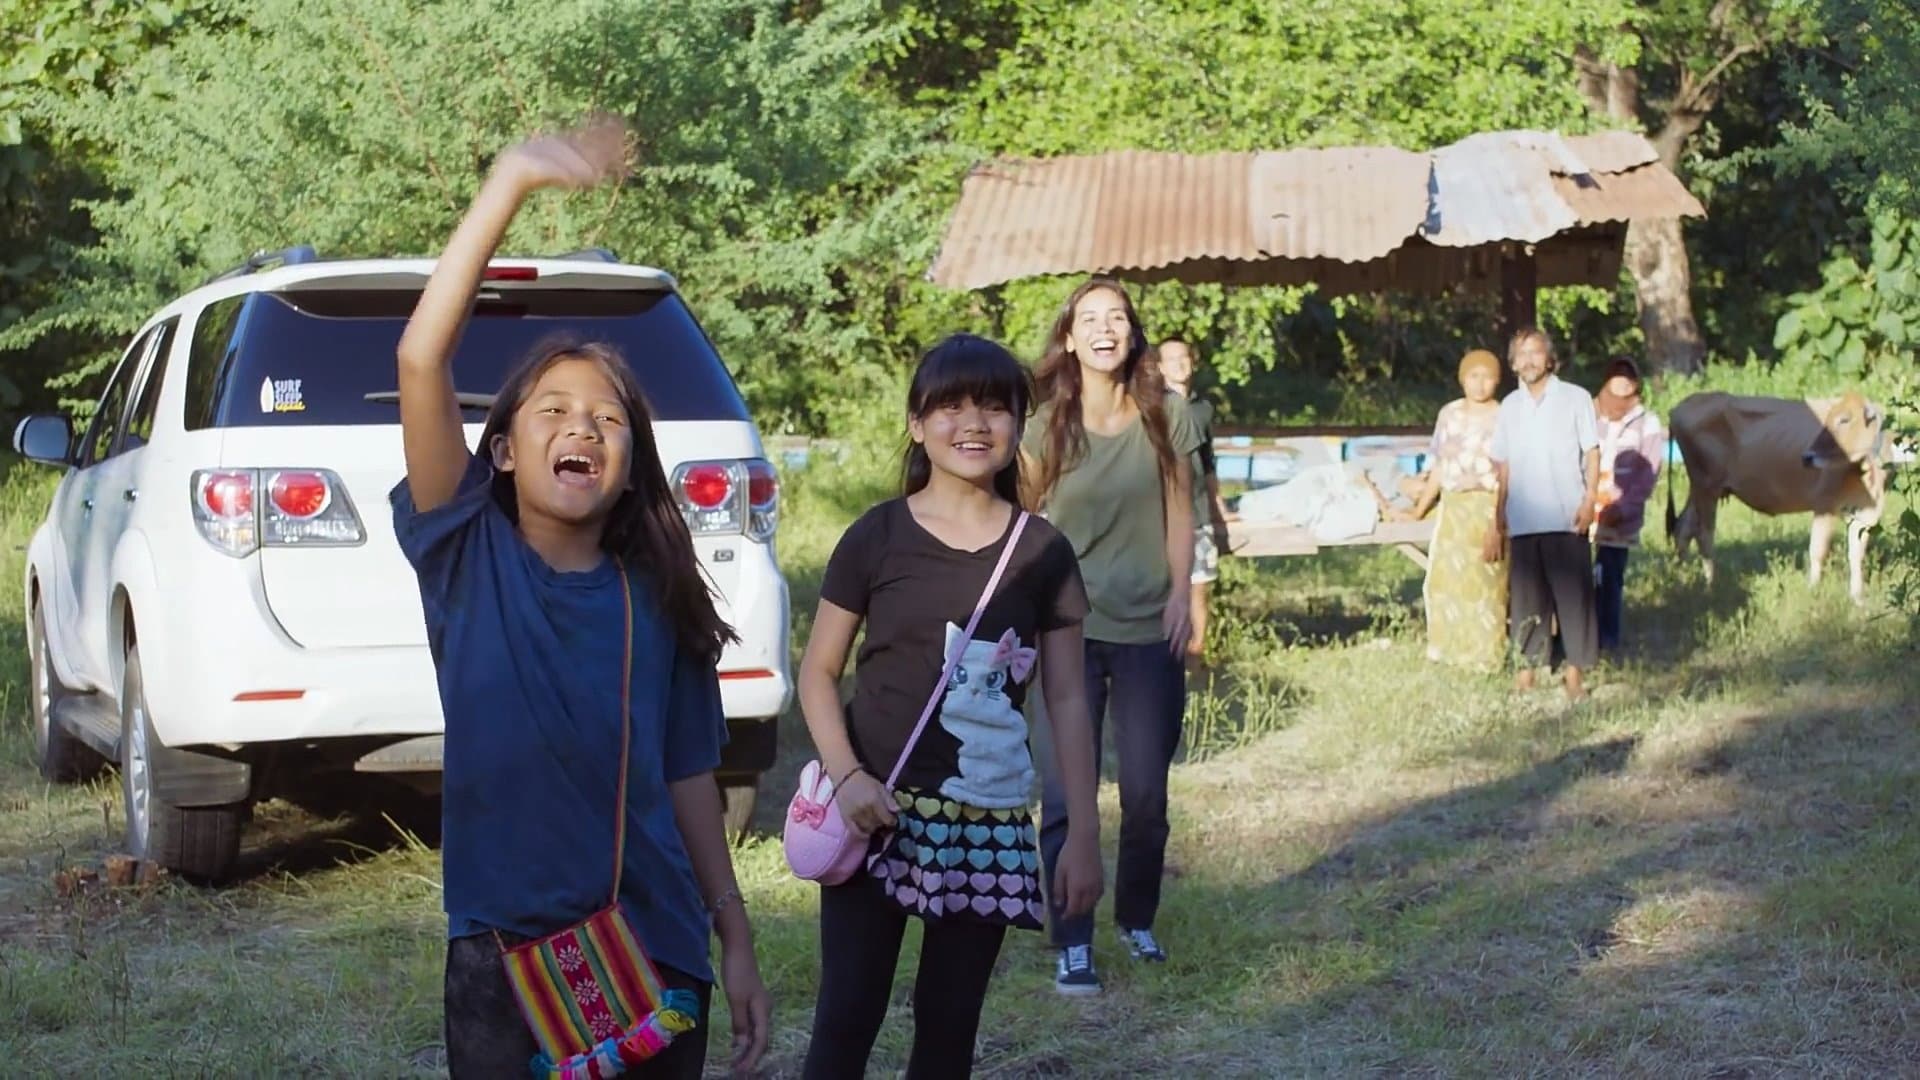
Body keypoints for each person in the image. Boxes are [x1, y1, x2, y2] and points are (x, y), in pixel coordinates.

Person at [389, 118, 770, 1079]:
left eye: (609, 420)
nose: (584, 428)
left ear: (631, 466)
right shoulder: (467, 557)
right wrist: (511, 182)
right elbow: (420, 361)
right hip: (503, 959)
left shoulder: (660, 599)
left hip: (657, 951)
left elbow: (689, 777)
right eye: (553, 411)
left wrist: (734, 935)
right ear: (502, 451)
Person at [798, 334, 1104, 1078]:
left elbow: (1067, 698)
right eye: (951, 406)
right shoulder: (876, 535)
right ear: (917, 423)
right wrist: (847, 778)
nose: (973, 423)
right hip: (875, 813)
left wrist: (1084, 834)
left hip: (988, 822)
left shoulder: (1043, 551)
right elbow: (818, 672)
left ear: (1019, 424)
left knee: (949, 1028)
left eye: (994, 407)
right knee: (846, 1018)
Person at [1022, 278, 1202, 995]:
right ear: (1070, 338)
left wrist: (1182, 594)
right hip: (1065, 633)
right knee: (1066, 793)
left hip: (1148, 627)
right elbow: (1019, 520)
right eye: (1090, 319)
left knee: (1147, 794)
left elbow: (1182, 509)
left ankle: (1136, 919)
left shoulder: (1167, 413)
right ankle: (1072, 939)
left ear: (1132, 333)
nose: (1105, 328)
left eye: (1117, 317)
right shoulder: (1045, 426)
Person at [1485, 327, 1601, 701]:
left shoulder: (1575, 398)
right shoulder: (1509, 406)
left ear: (1549, 359)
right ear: (1513, 363)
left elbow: (1592, 453)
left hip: (1566, 514)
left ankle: (1574, 675)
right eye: (1521, 354)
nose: (1529, 361)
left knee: (1574, 600)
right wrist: (1498, 516)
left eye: (1536, 352)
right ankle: (1526, 674)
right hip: (1523, 517)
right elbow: (1503, 466)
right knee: (1526, 602)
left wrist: (1590, 501)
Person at [1392, 348, 1508, 670]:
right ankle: (1449, 652)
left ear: (1497, 380)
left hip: (1489, 505)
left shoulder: (1504, 417)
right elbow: (1440, 465)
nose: (1480, 384)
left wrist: (1498, 520)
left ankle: (1484, 658)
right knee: (1446, 580)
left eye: (1487, 377)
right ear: (1462, 379)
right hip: (1455, 507)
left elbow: (1508, 472)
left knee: (1486, 583)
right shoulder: (1450, 414)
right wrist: (1419, 510)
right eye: (1473, 376)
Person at [1156, 337, 1232, 662]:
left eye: (1184, 357)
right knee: (1165, 587)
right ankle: (1164, 653)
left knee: (1200, 586)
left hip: (1199, 511)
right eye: (1171, 359)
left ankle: (1197, 653)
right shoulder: (1154, 407)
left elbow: (1208, 461)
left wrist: (1219, 507)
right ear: (1160, 367)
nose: (1179, 364)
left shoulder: (1202, 408)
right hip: (1162, 514)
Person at [1591, 356, 1667, 652]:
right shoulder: (1588, 413)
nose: (1622, 382)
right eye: (1616, 376)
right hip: (1583, 507)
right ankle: (1578, 637)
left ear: (1636, 383)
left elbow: (1649, 471)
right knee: (1579, 576)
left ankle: (1608, 640)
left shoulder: (1647, 421)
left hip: (1620, 512)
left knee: (1610, 576)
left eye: (1628, 377)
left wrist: (1625, 507)